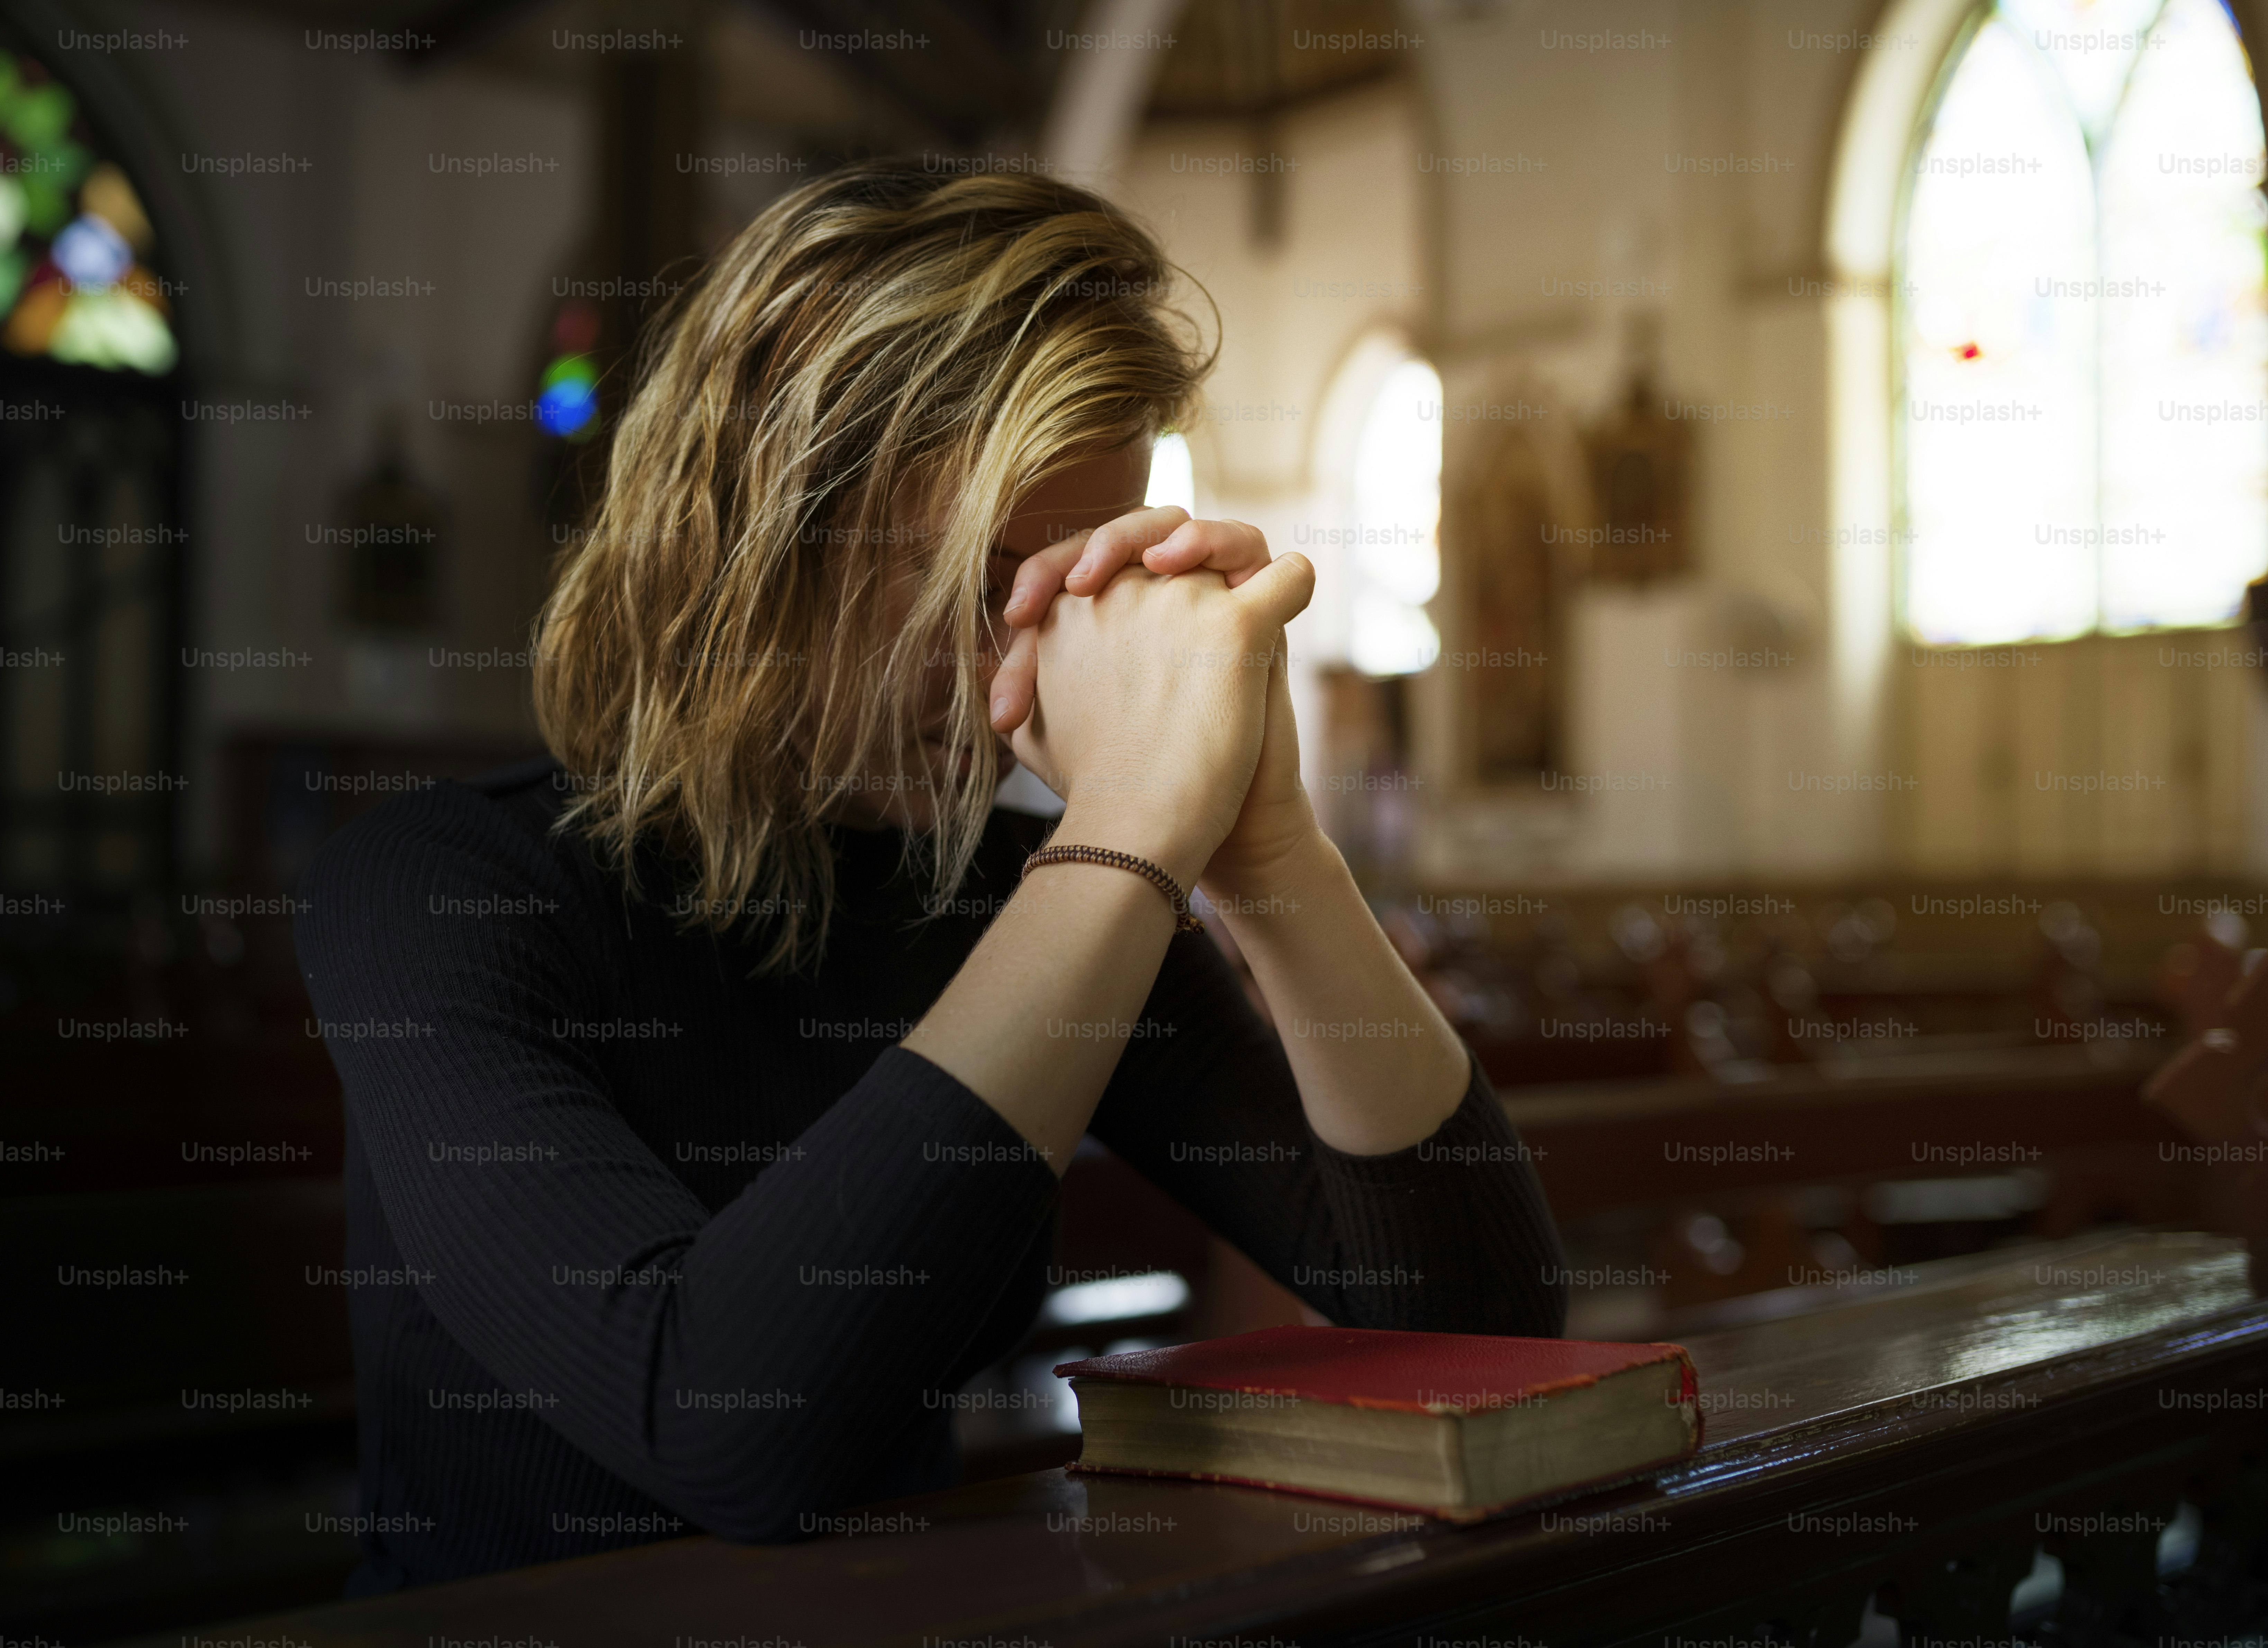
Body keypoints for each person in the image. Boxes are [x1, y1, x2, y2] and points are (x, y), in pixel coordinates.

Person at [296, 159, 1566, 1594]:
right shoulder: (433, 892)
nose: (1025, 672)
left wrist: (1269, 849)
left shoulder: (1037, 891)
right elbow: (727, 1429)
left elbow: (1484, 1321)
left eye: (1088, 591)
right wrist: (1132, 831)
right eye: (985, 580)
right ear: (758, 535)